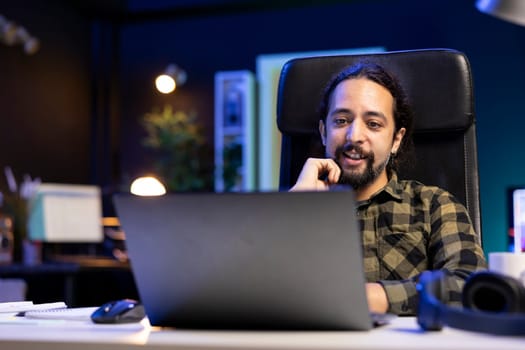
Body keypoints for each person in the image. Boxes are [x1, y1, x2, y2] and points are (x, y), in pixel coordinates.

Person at [290, 61, 487, 315]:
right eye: (341, 120)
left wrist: (367, 297)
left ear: (396, 139)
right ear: (324, 131)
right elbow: (252, 287)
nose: (353, 136)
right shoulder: (294, 205)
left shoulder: (434, 205)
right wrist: (295, 209)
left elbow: (470, 285)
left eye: (373, 124)